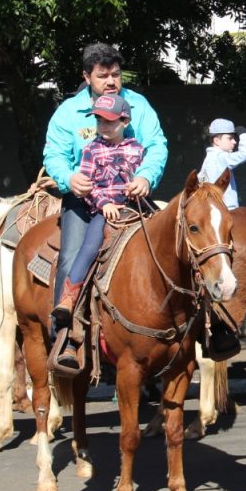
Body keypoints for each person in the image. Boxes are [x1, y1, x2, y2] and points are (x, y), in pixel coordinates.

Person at [44, 43, 168, 362]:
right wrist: (69, 179)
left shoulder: (138, 105)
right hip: (84, 202)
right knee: (72, 256)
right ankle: (66, 337)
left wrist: (145, 177)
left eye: (115, 75)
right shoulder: (68, 112)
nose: (111, 81)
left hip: (132, 198)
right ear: (87, 77)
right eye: (103, 76)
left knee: (172, 247)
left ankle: (195, 328)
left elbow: (156, 145)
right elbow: (54, 155)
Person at [50, 93, 143, 370]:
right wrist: (104, 205)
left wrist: (141, 184)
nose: (103, 125)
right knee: (88, 247)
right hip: (103, 211)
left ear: (124, 121)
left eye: (110, 121)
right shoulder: (92, 150)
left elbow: (141, 175)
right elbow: (89, 188)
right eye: (100, 120)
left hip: (134, 208)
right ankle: (69, 299)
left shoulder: (136, 149)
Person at [197, 118, 246, 207]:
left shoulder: (208, 160)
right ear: (216, 141)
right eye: (230, 138)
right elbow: (245, 153)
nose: (234, 142)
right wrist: (243, 134)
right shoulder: (220, 157)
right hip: (227, 211)